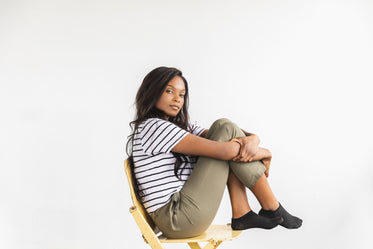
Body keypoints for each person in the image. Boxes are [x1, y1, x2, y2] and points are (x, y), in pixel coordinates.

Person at [126, 66, 302, 239]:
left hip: (182, 213)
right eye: (169, 91)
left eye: (181, 94)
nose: (177, 99)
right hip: (178, 219)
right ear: (152, 92)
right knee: (224, 134)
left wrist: (254, 138)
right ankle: (272, 207)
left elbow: (226, 133)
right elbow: (225, 150)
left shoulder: (178, 126)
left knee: (224, 127)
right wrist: (265, 152)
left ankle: (246, 211)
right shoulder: (154, 127)